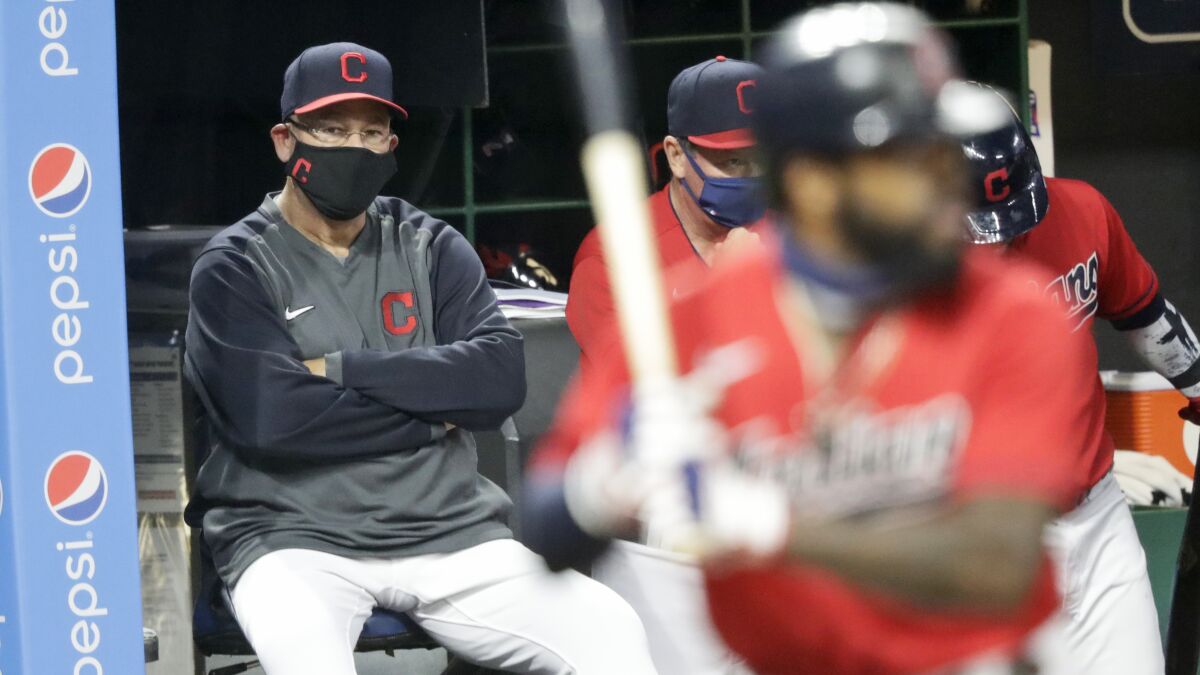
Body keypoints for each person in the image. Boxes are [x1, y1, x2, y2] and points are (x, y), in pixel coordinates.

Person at [523, 5, 1095, 674]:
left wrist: (769, 523)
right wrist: (603, 480)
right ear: (811, 181)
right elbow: (546, 532)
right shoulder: (699, 320)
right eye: (909, 160)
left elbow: (996, 563)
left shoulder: (1010, 314)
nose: (950, 184)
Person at [183, 42, 656, 675]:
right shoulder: (235, 265)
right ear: (284, 140)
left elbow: (496, 382)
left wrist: (346, 370)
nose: (354, 146)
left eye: (372, 132)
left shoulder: (432, 244)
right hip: (294, 539)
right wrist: (436, 414)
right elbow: (273, 421)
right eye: (331, 128)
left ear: (391, 145)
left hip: (451, 534)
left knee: (611, 630)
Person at [960, 89, 1200, 674]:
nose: (1002, 236)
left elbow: (1142, 311)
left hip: (1095, 518)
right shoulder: (887, 277)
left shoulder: (1081, 211)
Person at [566, 55, 765, 376]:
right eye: (732, 162)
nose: (750, 176)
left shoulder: (793, 233)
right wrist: (733, 290)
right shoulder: (614, 257)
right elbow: (648, 392)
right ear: (676, 157)